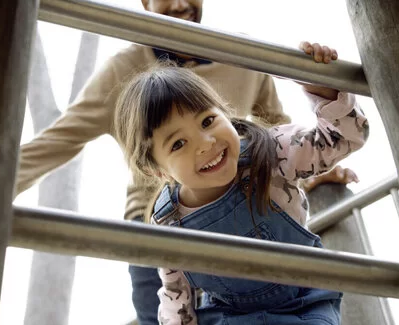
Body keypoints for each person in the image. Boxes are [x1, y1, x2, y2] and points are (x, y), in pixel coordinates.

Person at [15, 0, 357, 323]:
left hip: (248, 201)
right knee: (169, 309)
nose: (180, 3)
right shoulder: (124, 71)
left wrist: (312, 171)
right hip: (164, 223)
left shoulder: (242, 55)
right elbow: (59, 139)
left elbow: (277, 130)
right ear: (145, 4)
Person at [113, 55, 368, 324]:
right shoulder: (169, 222)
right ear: (158, 170)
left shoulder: (272, 154)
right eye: (178, 144)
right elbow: (177, 297)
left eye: (207, 121)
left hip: (303, 304)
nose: (205, 143)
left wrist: (321, 86)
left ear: (225, 112)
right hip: (231, 317)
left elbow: (346, 138)